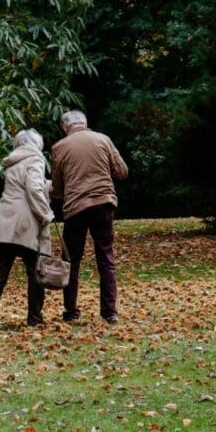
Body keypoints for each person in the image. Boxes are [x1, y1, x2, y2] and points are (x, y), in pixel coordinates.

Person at [50, 110, 128, 324]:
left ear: (65, 128)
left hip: (75, 208)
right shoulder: (103, 139)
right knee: (106, 258)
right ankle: (110, 311)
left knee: (71, 260)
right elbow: (122, 171)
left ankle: (71, 311)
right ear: (85, 123)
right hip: (103, 204)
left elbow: (57, 187)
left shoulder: (59, 147)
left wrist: (59, 192)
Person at [0, 129, 55, 331]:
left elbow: (23, 186)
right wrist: (46, 215)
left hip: (4, 220)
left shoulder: (12, 162)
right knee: (36, 272)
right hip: (24, 223)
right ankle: (35, 318)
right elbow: (34, 190)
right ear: (38, 144)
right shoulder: (35, 160)